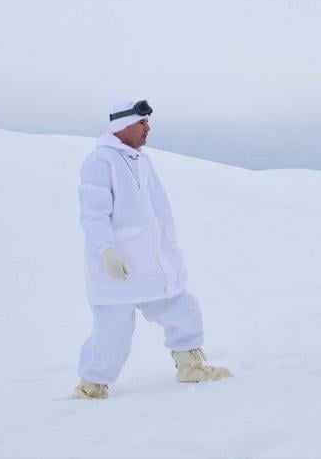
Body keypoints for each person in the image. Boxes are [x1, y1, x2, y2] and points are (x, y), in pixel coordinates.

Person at [74, 100, 231, 399]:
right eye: (142, 123)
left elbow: (158, 210)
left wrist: (169, 246)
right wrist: (106, 250)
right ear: (123, 126)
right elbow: (93, 213)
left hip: (151, 263)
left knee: (183, 308)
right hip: (116, 268)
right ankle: (92, 386)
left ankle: (190, 367)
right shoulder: (100, 161)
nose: (148, 128)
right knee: (112, 333)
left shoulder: (141, 161)